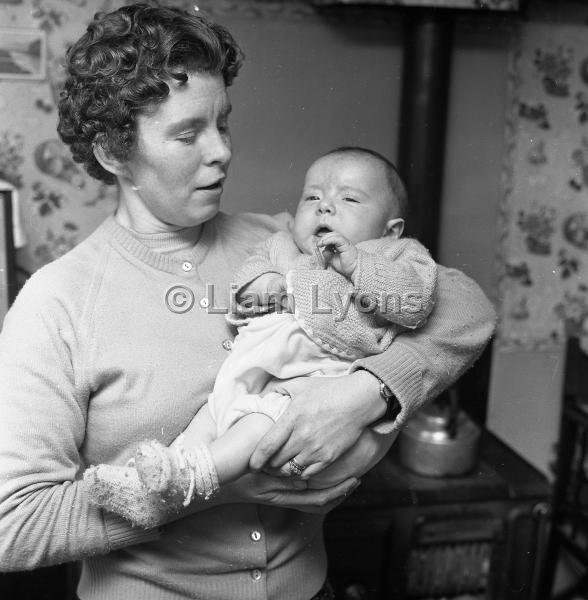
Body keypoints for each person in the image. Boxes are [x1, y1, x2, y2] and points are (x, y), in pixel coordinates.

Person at [0, 5, 496, 600]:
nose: (222, 152)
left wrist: (368, 391)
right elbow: (15, 525)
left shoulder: (282, 240)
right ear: (113, 150)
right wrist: (218, 489)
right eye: (188, 134)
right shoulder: (57, 301)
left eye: (224, 124)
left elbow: (466, 305)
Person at [84, 146, 439, 518]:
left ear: (390, 229)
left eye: (349, 198)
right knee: (208, 418)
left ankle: (193, 479)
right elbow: (244, 287)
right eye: (312, 196)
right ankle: (149, 489)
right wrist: (262, 285)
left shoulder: (398, 255)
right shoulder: (280, 244)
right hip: (254, 370)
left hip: (315, 378)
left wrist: (359, 265)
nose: (325, 207)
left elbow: (416, 304)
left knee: (264, 421)